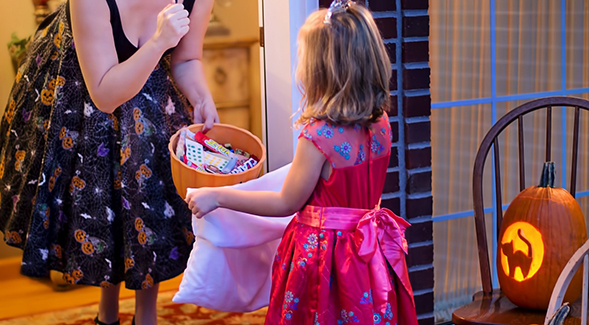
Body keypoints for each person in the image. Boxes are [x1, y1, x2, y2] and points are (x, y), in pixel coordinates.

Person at [185, 1, 419, 324]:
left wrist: (218, 197)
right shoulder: (381, 124)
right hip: (367, 258)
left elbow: (285, 202)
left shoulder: (319, 136)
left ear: (321, 70)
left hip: (324, 263)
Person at [0, 0, 218, 324]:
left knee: (148, 180)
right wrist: (158, 40)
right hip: (81, 83)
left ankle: (146, 315)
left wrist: (201, 97)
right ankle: (108, 312)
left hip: (148, 78)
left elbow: (186, 59)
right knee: (97, 189)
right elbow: (103, 93)